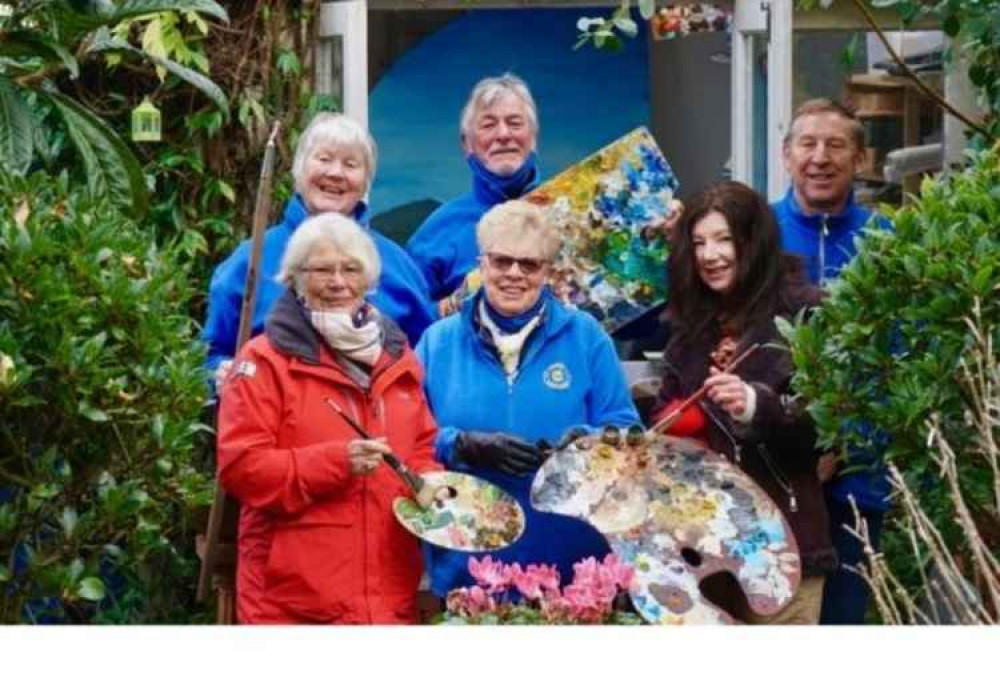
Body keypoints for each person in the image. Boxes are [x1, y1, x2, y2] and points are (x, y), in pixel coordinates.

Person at [216, 213, 441, 624]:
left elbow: (421, 444)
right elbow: (241, 468)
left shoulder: (398, 356)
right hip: (293, 603)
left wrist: (429, 479)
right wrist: (337, 463)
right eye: (322, 269)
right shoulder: (263, 360)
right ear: (296, 278)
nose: (338, 282)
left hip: (387, 596)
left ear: (369, 279)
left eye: (351, 269)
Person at [415, 200, 640, 597]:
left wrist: (588, 443)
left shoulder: (586, 337)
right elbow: (408, 437)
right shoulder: (438, 343)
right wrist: (461, 445)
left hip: (572, 570)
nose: (514, 274)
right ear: (481, 264)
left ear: (548, 272)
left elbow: (626, 428)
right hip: (467, 569)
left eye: (530, 264)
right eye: (502, 261)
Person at [651, 181, 836, 625]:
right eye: (698, 243)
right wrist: (673, 425)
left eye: (723, 239)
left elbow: (829, 426)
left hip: (782, 549)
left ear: (753, 242)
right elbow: (664, 424)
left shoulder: (806, 315)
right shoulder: (689, 330)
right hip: (705, 555)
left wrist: (757, 406)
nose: (710, 255)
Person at [203, 113, 435, 389]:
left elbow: (426, 362)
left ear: (365, 182)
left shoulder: (397, 265)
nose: (336, 173)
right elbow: (208, 355)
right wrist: (217, 374)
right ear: (299, 170)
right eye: (324, 159)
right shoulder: (251, 259)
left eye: (351, 164)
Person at [773, 98, 890, 625]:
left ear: (861, 159)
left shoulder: (886, 243)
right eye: (808, 143)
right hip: (769, 477)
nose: (820, 157)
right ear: (786, 154)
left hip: (855, 486)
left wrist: (842, 447)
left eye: (836, 145)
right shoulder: (754, 233)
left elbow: (897, 359)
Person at [406, 73, 541, 305]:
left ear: (533, 137)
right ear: (466, 144)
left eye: (514, 123)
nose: (503, 134)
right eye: (488, 125)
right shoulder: (437, 232)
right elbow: (411, 323)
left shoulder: (577, 214)